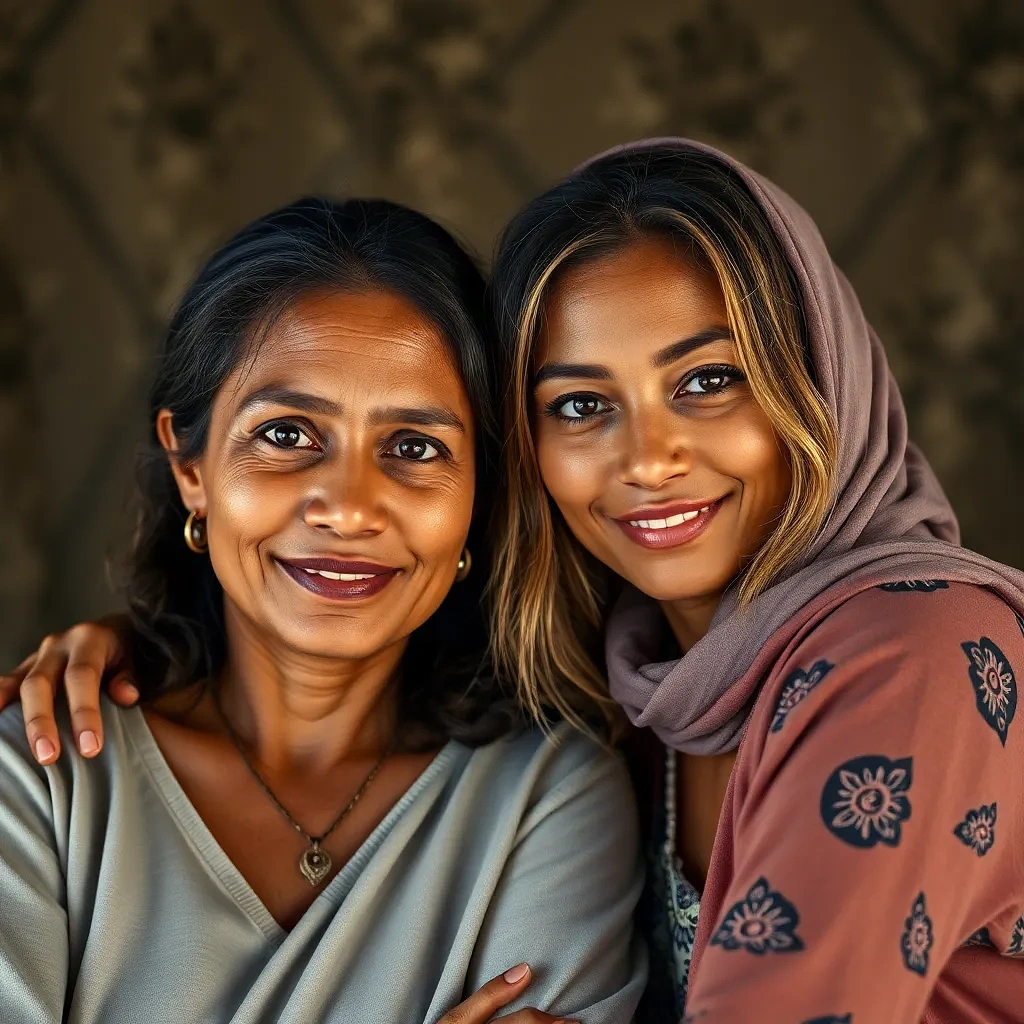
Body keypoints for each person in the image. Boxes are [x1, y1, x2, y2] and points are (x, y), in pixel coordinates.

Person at [9, 140, 1024, 1022]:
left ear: (815, 376)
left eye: (708, 380)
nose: (650, 455)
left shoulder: (909, 661)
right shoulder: (634, 686)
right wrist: (151, 639)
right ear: (193, 467)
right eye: (582, 404)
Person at [0, 196, 646, 1024]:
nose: (348, 507)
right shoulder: (43, 777)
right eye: (288, 435)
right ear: (190, 466)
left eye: (415, 449)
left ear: (479, 502)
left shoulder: (546, 798)